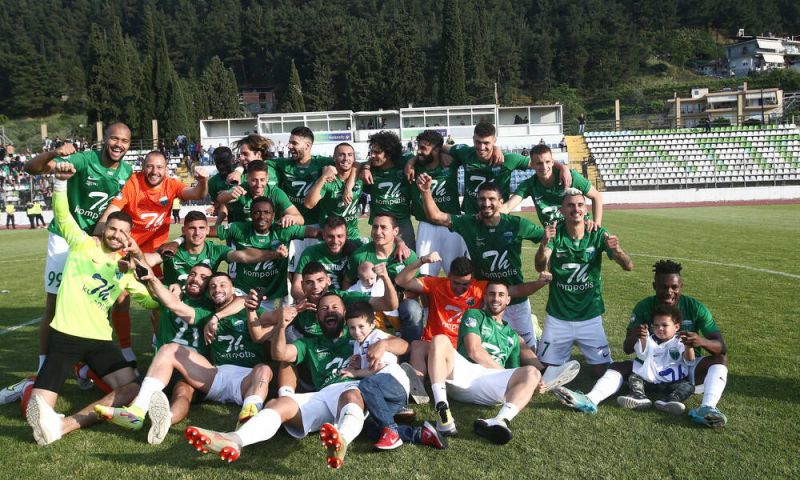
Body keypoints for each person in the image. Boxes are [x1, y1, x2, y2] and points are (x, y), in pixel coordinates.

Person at [184, 292, 408, 468]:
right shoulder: (311, 342)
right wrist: (281, 325)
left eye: (334, 307)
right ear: (317, 316)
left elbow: (403, 346)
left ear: (344, 312)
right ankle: (235, 439)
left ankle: (342, 440)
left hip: (355, 390)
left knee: (350, 394)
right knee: (279, 404)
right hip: (322, 395)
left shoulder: (359, 334)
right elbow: (280, 354)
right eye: (323, 309)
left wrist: (385, 344)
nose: (329, 311)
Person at [25, 162, 158, 446]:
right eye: (112, 229)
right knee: (37, 409)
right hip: (66, 335)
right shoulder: (82, 244)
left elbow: (148, 302)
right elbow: (62, 216)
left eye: (122, 232)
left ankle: (67, 424)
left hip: (99, 341)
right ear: (105, 228)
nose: (116, 235)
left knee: (132, 389)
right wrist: (60, 184)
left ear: (128, 238)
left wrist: (154, 284)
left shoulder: (125, 268)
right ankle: (25, 392)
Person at [7, 123, 133, 400]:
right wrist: (54, 154)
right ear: (105, 139)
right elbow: (32, 168)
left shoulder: (126, 172)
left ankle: (89, 364)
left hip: (96, 242)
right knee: (53, 305)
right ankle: (44, 368)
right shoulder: (83, 160)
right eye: (114, 138)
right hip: (65, 238)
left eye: (124, 141)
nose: (118, 144)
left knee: (104, 301)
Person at [95, 270, 274, 444]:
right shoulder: (205, 315)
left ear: (233, 289)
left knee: (264, 369)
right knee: (169, 349)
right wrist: (152, 279)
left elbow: (258, 308)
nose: (217, 289)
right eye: (212, 286)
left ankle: (249, 420)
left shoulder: (251, 311)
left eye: (222, 285)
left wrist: (220, 317)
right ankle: (137, 411)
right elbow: (174, 305)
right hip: (216, 375)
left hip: (247, 379)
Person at [555, 260, 729, 428]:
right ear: (655, 286)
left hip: (685, 368)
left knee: (720, 360)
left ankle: (707, 408)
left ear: (681, 286)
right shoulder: (644, 307)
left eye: (674, 287)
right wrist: (635, 336)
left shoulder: (696, 308)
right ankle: (590, 399)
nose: (669, 292)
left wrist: (701, 341)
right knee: (618, 366)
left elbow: (721, 347)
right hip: (650, 368)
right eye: (663, 287)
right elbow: (627, 348)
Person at [93, 151, 208, 363]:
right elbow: (112, 210)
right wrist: (97, 235)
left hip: (155, 254)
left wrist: (203, 181)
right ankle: (126, 349)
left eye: (159, 167)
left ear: (166, 169)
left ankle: (160, 341)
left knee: (159, 299)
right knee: (120, 298)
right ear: (143, 166)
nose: (154, 171)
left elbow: (197, 194)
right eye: (150, 166)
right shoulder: (133, 183)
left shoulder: (171, 185)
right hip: (127, 249)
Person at [427, 282, 578, 444]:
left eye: (501, 295)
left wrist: (533, 384)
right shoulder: (474, 315)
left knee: (531, 372)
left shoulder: (513, 336)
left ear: (508, 300)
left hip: (491, 385)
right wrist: (503, 373)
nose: (496, 298)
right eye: (491, 294)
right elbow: (474, 351)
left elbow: (515, 373)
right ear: (485, 297)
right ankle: (443, 412)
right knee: (440, 340)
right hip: (464, 374)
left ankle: (500, 420)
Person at [396, 254, 555, 404]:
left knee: (517, 340)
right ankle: (418, 388)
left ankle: (543, 372)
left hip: (464, 348)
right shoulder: (436, 284)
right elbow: (401, 280)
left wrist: (540, 283)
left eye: (465, 284)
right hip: (438, 346)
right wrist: (422, 260)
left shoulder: (480, 288)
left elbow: (516, 291)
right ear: (449, 275)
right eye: (456, 283)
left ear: (471, 279)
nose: (460, 288)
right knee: (417, 345)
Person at [418, 179, 543, 348]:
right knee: (491, 347)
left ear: (501, 202)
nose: (486, 203)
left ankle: (532, 332)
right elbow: (435, 216)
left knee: (527, 348)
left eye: (491, 199)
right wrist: (426, 192)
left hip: (516, 297)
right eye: (482, 199)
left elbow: (547, 238)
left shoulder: (516, 224)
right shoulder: (469, 223)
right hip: (485, 299)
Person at [534, 188, 633, 378]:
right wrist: (543, 245)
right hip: (558, 316)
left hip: (589, 316)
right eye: (570, 205)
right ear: (562, 211)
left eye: (580, 205)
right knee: (544, 372)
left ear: (586, 209)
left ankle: (568, 358)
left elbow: (628, 266)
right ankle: (552, 348)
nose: (576, 209)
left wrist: (618, 251)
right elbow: (540, 266)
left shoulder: (598, 233)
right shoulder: (556, 234)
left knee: (601, 373)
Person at [343, 302, 447, 451]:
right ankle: (421, 434)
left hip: (393, 381)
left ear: (373, 324)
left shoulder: (377, 336)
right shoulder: (358, 344)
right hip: (385, 392)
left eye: (361, 326)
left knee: (366, 384)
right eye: (352, 327)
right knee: (372, 427)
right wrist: (358, 364)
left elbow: (377, 368)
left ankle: (391, 430)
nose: (356, 332)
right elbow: (368, 368)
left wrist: (355, 373)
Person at [407, 122, 569, 216]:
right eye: (478, 142)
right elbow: (436, 146)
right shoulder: (465, 152)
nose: (481, 147)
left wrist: (562, 167)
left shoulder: (509, 159)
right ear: (473, 140)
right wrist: (412, 161)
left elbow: (539, 162)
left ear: (494, 141)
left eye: (487, 143)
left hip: (498, 216)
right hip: (471, 219)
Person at [214, 196, 319, 312]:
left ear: (273, 215)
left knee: (273, 327)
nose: (262, 217)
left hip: (275, 297)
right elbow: (208, 231)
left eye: (266, 212)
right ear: (251, 215)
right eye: (257, 213)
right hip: (244, 295)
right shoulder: (238, 228)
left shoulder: (283, 230)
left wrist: (335, 239)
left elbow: (315, 232)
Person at [345, 213, 421, 340]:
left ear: (395, 231)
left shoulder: (408, 256)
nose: (378, 231)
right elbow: (347, 281)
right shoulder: (359, 256)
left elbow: (418, 288)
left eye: (383, 227)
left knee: (412, 309)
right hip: (371, 303)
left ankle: (411, 347)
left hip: (400, 302)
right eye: (375, 227)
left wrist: (399, 297)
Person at [616, 304, 695, 415]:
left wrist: (689, 346)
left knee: (688, 386)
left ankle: (671, 400)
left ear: (676, 327)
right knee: (634, 377)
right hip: (651, 380)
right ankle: (639, 396)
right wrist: (643, 340)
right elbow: (642, 355)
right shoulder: (650, 339)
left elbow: (690, 360)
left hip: (673, 382)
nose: (660, 329)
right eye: (656, 325)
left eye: (664, 325)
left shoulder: (680, 341)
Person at [408, 130, 466, 276]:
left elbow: (468, 151)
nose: (418, 152)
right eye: (418, 147)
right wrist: (411, 161)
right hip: (427, 225)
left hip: (451, 225)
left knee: (456, 273)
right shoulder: (415, 165)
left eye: (423, 148)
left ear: (436, 150)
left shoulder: (450, 162)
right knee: (424, 275)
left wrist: (444, 149)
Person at [503, 144, 603, 229]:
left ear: (552, 162)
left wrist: (596, 224)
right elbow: (508, 206)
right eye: (539, 163)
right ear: (532, 165)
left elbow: (596, 196)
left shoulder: (571, 177)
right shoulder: (529, 185)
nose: (544, 167)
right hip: (555, 239)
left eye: (547, 162)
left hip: (581, 231)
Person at [360, 131, 416, 250]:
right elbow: (355, 165)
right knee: (379, 261)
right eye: (371, 152)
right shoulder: (370, 170)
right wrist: (366, 167)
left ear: (389, 154)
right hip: (379, 226)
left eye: (377, 152)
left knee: (407, 260)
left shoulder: (403, 164)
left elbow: (415, 157)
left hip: (402, 224)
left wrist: (411, 163)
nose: (372, 156)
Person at [304, 143, 364, 243]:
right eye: (341, 155)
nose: (346, 158)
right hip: (330, 237)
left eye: (350, 155)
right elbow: (308, 204)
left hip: (353, 236)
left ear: (354, 158)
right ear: (334, 157)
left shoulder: (360, 178)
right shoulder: (328, 180)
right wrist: (323, 177)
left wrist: (348, 188)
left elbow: (362, 164)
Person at [291, 215, 352, 301]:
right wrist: (303, 300)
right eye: (330, 236)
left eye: (339, 236)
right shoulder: (310, 253)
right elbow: (296, 285)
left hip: (342, 301)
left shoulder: (354, 251)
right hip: (315, 302)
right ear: (323, 235)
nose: (335, 241)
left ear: (346, 235)